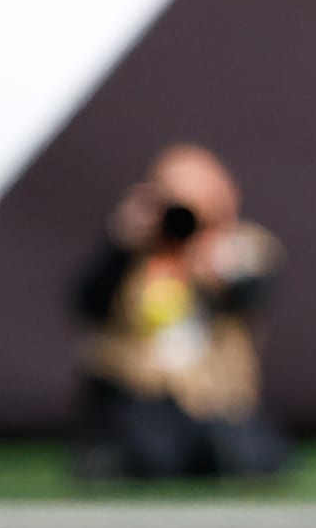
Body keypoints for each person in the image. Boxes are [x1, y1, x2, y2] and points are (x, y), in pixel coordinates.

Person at [70, 143, 290, 480]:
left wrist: (215, 267)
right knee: (154, 455)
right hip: (142, 394)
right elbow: (87, 304)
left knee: (250, 457)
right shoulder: (132, 250)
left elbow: (251, 298)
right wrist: (120, 245)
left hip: (215, 399)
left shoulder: (240, 245)